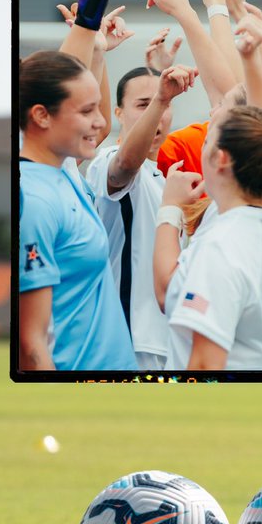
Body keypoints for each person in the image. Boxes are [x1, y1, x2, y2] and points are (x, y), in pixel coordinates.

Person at [153, 105, 262, 371]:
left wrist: (170, 206)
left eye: (207, 141)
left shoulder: (222, 246)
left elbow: (205, 366)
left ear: (222, 159)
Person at [18, 50, 136, 371]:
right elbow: (30, 345)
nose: (101, 121)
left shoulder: (62, 175)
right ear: (41, 116)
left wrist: (98, 49)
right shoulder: (35, 199)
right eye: (86, 111)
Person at [85, 58, 197, 370]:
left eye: (165, 103)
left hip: (173, 339)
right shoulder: (106, 160)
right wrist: (160, 98)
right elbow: (125, 165)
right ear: (118, 113)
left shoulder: (170, 176)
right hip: (130, 339)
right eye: (142, 104)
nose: (157, 113)